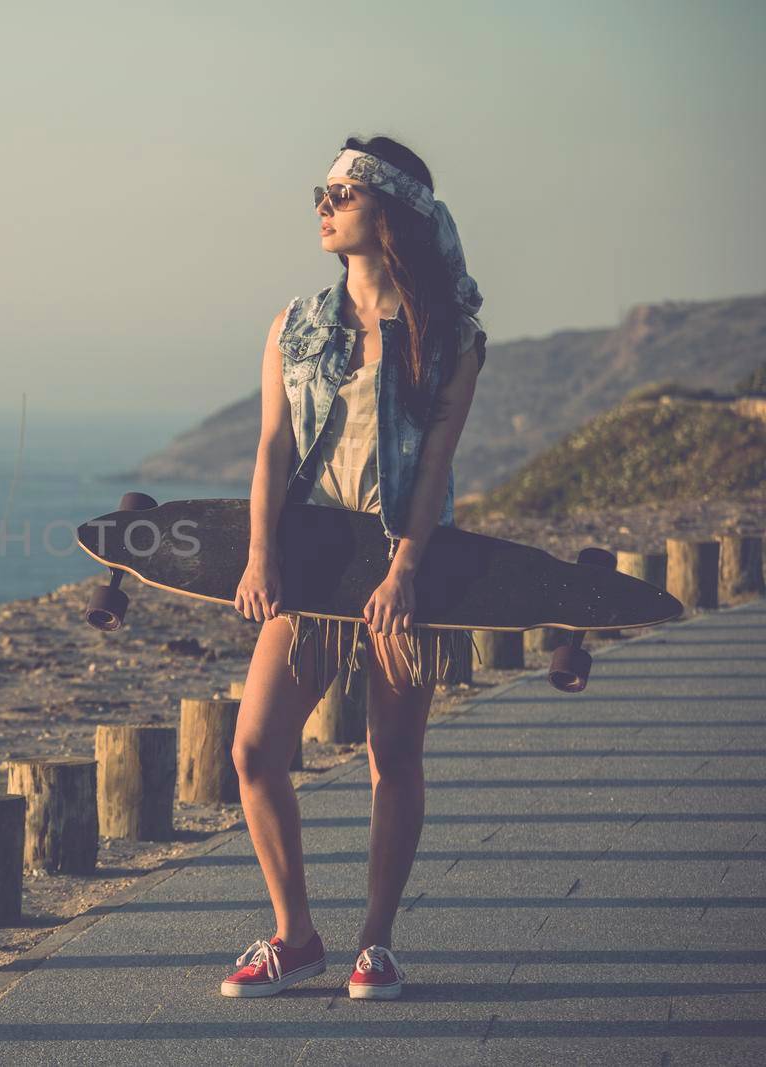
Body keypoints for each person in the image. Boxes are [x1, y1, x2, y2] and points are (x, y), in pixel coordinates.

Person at [219, 136, 488, 1001]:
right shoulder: (293, 324)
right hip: (313, 558)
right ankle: (295, 935)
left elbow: (436, 465)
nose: (323, 205)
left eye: (342, 192)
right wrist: (262, 556)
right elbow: (269, 448)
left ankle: (376, 942)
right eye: (321, 192)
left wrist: (406, 570)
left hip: (405, 562)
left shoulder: (451, 340)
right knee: (255, 748)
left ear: (392, 211)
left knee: (392, 753)